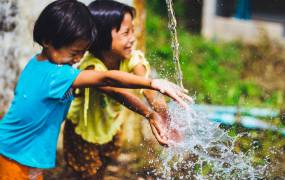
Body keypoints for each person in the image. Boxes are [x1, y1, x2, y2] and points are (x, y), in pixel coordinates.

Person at [0, 1, 191, 179]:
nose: (78, 59)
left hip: (20, 151)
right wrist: (152, 83)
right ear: (47, 40)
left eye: (83, 52)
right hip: (15, 155)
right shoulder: (58, 75)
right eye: (75, 53)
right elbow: (106, 78)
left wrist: (155, 111)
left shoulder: (37, 63)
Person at [63, 1, 182, 179]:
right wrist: (148, 114)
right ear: (102, 37)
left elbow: (149, 89)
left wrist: (165, 117)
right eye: (126, 33)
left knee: (103, 165)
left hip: (111, 125)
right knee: (87, 173)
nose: (133, 38)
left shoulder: (132, 58)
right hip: (84, 129)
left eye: (133, 30)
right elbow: (119, 94)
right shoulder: (91, 67)